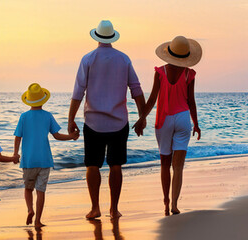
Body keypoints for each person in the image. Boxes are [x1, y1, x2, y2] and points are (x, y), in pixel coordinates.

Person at [68, 20, 147, 219]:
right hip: (119, 122)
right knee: (116, 165)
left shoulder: (88, 59)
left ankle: (95, 207)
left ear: (96, 37)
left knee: (92, 165)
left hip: (93, 122)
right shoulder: (123, 59)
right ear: (112, 37)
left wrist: (71, 119)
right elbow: (136, 90)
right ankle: (113, 209)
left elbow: (78, 92)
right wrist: (142, 116)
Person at [133, 35, 203, 216]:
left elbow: (152, 99)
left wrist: (141, 118)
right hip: (182, 119)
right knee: (178, 167)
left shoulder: (160, 72)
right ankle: (174, 205)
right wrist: (196, 123)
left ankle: (165, 203)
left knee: (165, 164)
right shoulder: (189, 74)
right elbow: (191, 101)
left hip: (163, 120)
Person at [13, 83, 80, 228]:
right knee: (41, 191)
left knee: (28, 189)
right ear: (43, 100)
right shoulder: (48, 116)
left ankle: (30, 210)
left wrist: (15, 154)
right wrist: (71, 136)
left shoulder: (23, 117)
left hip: (29, 161)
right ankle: (38, 221)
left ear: (29, 100)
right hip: (44, 160)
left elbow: (18, 137)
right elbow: (57, 135)